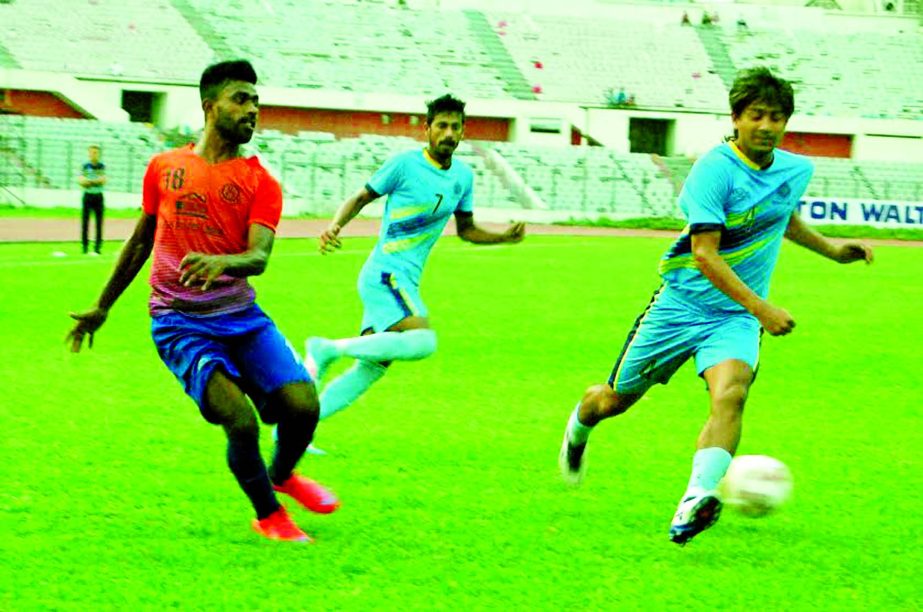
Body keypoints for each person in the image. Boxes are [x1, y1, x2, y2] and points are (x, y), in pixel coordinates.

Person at [558, 67, 874, 546]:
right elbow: (704, 252)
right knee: (613, 400)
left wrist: (832, 249)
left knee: (732, 393)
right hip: (680, 305)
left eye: (777, 117)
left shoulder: (795, 170)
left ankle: (696, 499)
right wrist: (763, 307)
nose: (767, 126)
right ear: (736, 118)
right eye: (756, 116)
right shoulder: (714, 169)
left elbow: (781, 218)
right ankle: (579, 428)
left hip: (734, 318)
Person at [66, 60, 339, 543]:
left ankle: (282, 475)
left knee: (303, 405)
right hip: (179, 322)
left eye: (256, 101)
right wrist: (103, 305)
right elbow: (139, 242)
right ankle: (270, 515)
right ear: (210, 106)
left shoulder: (260, 182)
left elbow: (258, 257)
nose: (253, 109)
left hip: (241, 316)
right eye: (241, 99)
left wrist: (222, 262)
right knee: (240, 419)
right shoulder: (165, 168)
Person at [304, 94, 525, 433]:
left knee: (371, 369)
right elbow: (361, 196)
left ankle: (294, 432)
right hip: (386, 275)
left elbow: (466, 230)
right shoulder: (405, 164)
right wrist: (335, 225)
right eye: (442, 126)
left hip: (403, 279)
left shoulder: (463, 177)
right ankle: (328, 348)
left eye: (456, 127)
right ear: (427, 129)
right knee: (423, 342)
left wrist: (503, 237)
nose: (449, 133)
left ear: (463, 132)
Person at [78, 144, 106, 255]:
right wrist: (94, 181)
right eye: (91, 152)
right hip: (88, 196)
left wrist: (90, 182)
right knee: (85, 222)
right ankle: (84, 247)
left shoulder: (101, 166)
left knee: (99, 223)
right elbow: (81, 181)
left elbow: (103, 180)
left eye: (95, 152)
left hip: (98, 196)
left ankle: (97, 248)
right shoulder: (85, 166)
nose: (93, 154)